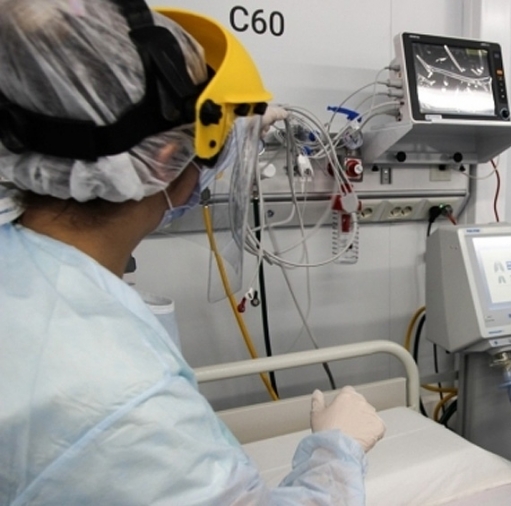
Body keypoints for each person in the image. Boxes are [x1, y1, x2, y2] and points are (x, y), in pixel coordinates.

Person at [0, 1, 384, 504]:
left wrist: (237, 125)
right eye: (217, 141)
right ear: (165, 162)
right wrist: (337, 449)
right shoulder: (123, 403)